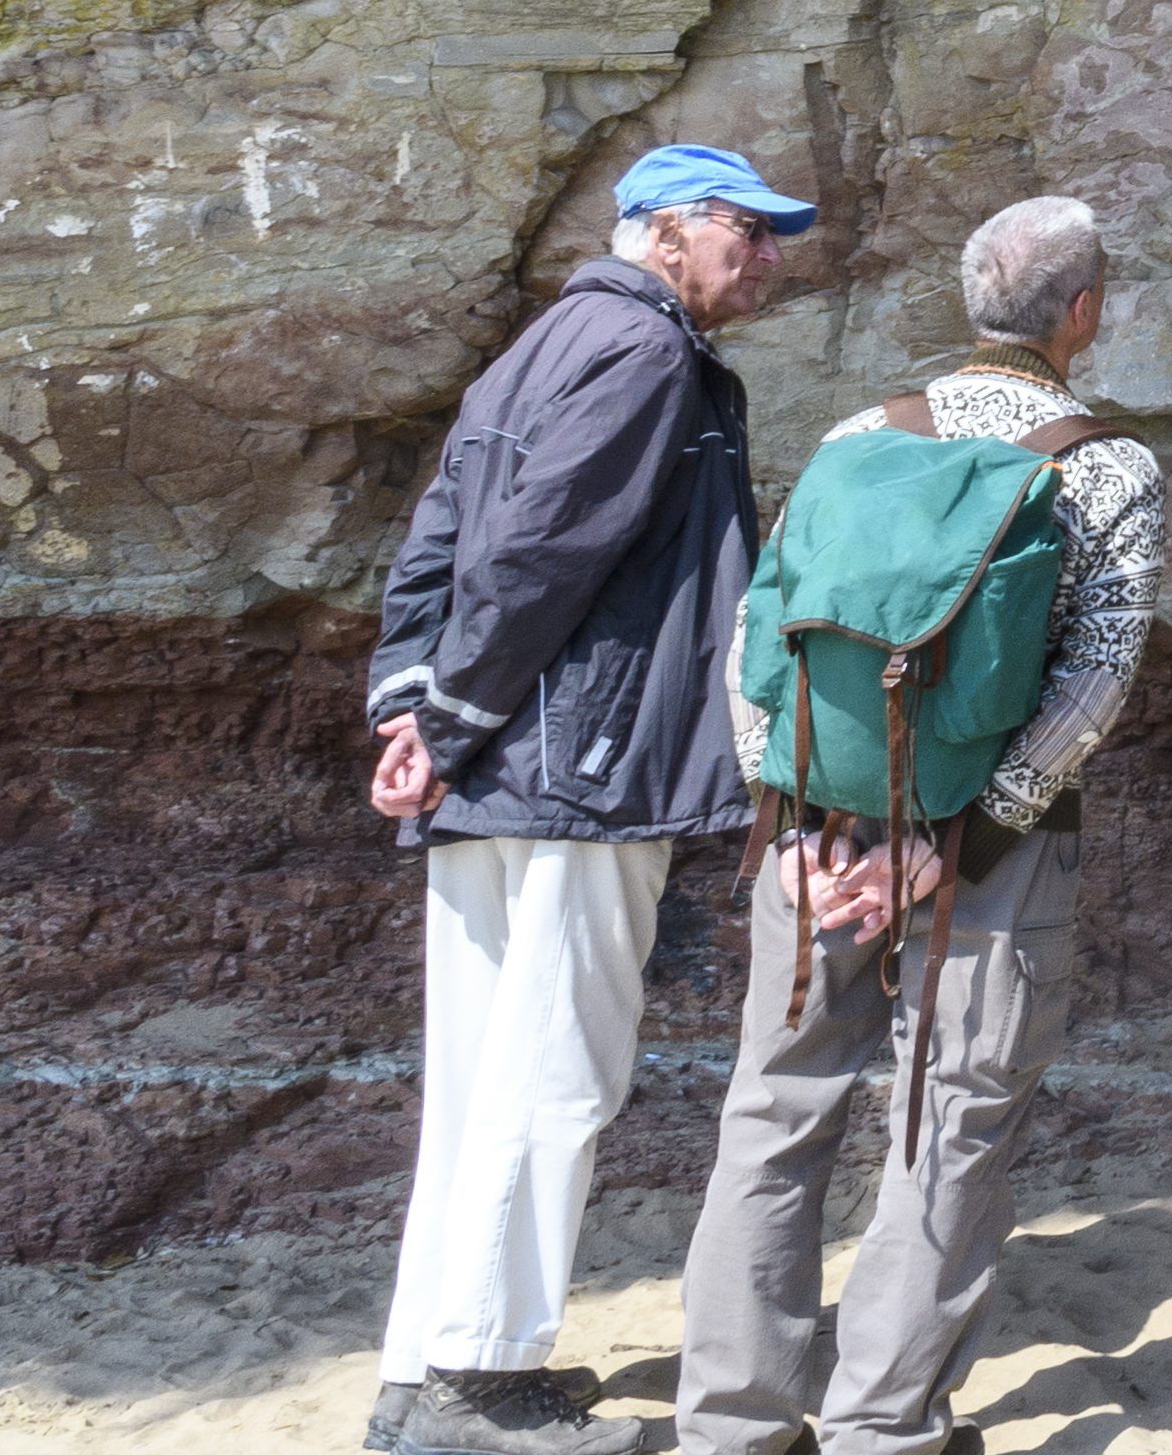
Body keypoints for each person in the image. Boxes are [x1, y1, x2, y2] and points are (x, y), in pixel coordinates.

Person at [677, 195, 1172, 1455]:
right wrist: (953, 844)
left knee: (773, 1109)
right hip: (989, 864)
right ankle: (883, 1428)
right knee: (950, 1120)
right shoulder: (1107, 464)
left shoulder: (859, 434)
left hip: (816, 835)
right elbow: (1093, 684)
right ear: (1083, 312)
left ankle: (733, 1421)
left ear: (968, 306)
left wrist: (788, 821)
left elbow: (758, 637)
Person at [362, 143, 810, 1455]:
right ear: (669, 230)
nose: (771, 257)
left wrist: (414, 708)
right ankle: (480, 1384)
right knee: (553, 1074)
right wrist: (444, 717)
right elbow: (539, 553)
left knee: (478, 1075)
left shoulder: (537, 346)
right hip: (580, 764)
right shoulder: (648, 355)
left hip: (501, 766)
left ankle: (423, 1368)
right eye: (751, 229)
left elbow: (437, 540)